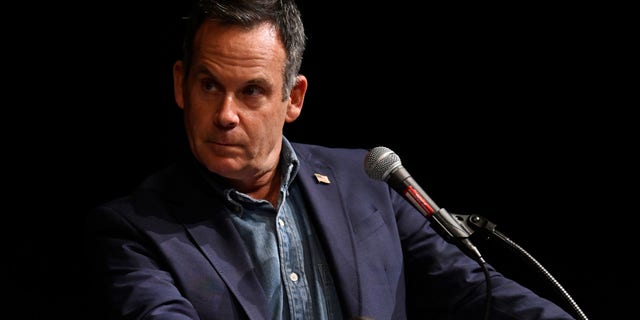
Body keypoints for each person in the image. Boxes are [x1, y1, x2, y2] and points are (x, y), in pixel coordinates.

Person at [85, 0, 579, 319]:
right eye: (209, 85)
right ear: (179, 84)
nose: (225, 115)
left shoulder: (368, 181)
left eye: (252, 91)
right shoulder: (135, 229)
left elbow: (476, 292)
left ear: (293, 98)